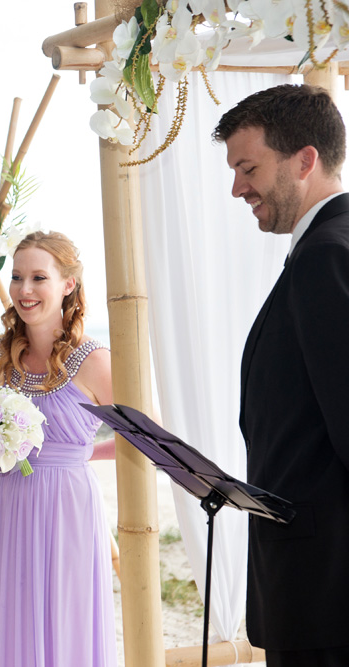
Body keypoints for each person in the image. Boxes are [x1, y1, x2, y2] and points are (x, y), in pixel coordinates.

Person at [213, 83, 349, 666]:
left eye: (248, 168)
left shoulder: (326, 256)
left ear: (305, 160)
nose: (238, 188)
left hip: (327, 588)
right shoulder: (325, 246)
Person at [0, 231, 115, 667]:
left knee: (64, 618)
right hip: (4, 503)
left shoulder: (94, 360)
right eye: (16, 277)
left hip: (67, 507)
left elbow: (146, 434)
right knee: (6, 614)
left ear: (68, 284)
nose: (24, 289)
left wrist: (80, 455)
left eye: (38, 278)